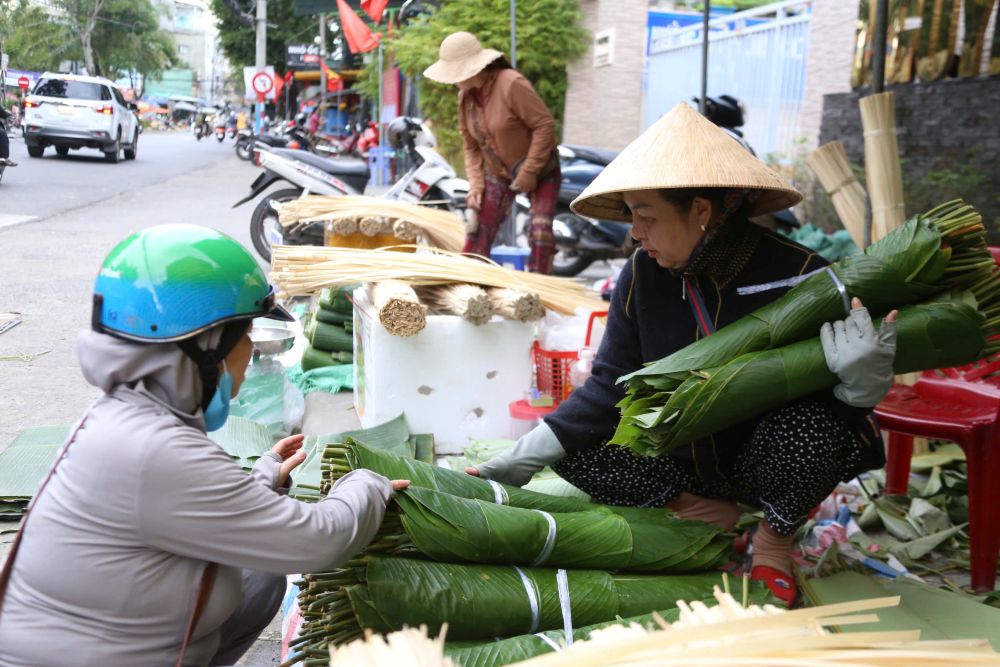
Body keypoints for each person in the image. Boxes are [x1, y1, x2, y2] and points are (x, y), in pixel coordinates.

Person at [467, 103, 896, 606]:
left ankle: (773, 540)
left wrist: (859, 388)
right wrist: (524, 456)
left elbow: (836, 412)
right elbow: (610, 386)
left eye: (646, 216)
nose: (634, 232)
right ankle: (702, 506)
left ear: (700, 211)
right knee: (576, 444)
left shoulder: (805, 276)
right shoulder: (641, 275)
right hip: (683, 460)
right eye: (631, 216)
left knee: (811, 429)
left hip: (768, 459)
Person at [0, 225, 408, 666]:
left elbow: (191, 506)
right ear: (206, 345)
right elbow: (320, 539)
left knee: (257, 576)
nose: (251, 352)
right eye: (246, 334)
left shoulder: (125, 417)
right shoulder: (152, 450)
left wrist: (264, 476)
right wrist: (368, 482)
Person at [424, 31, 560, 274]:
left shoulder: (511, 83)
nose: (453, 80)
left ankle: (539, 293)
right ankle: (468, 285)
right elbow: (471, 146)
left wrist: (530, 171)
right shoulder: (465, 98)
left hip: (540, 169)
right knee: (478, 227)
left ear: (473, 69)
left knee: (540, 233)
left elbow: (544, 126)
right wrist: (476, 186)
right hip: (498, 171)